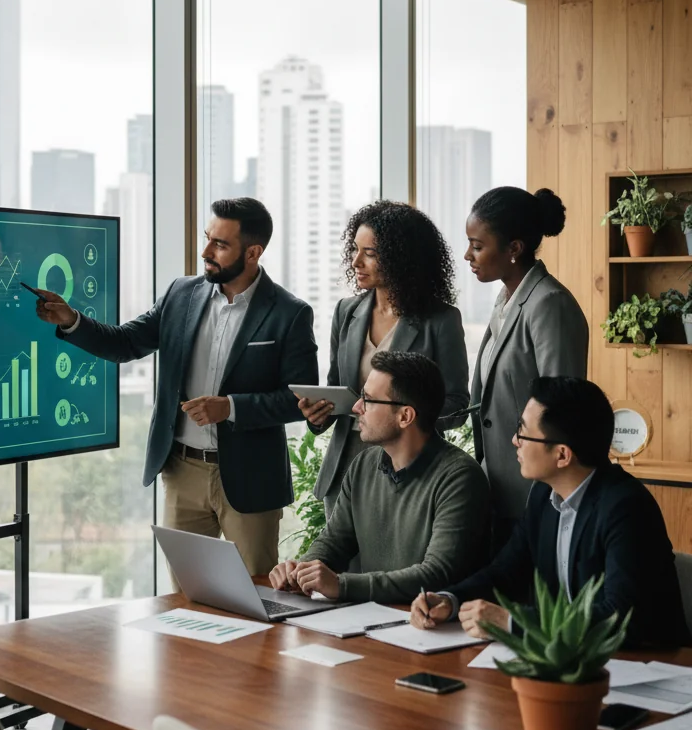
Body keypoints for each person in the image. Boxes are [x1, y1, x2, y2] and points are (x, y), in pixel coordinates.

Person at [34, 198, 318, 580]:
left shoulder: (290, 312)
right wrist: (71, 320)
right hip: (182, 472)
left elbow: (298, 400)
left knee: (258, 595)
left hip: (251, 479)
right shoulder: (180, 295)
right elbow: (125, 343)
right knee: (185, 596)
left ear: (253, 252)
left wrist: (230, 408)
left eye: (220, 244)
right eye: (207, 239)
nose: (206, 252)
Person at [410, 377, 691, 648]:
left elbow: (619, 619)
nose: (514, 441)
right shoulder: (544, 494)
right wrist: (450, 599)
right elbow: (505, 572)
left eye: (523, 432)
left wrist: (513, 622)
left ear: (562, 455)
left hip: (648, 667)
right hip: (568, 661)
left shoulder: (626, 507)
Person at [270, 351, 489, 604]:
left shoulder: (459, 477)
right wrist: (300, 571)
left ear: (405, 416)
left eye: (368, 400)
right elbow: (334, 543)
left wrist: (341, 585)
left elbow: (436, 574)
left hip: (431, 626)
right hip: (370, 620)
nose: (356, 407)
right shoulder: (364, 464)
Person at [297, 202, 470, 520]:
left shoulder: (441, 320)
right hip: (346, 467)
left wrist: (402, 419)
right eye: (354, 249)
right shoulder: (346, 312)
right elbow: (339, 388)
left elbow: (457, 404)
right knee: (342, 564)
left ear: (400, 256)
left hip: (411, 469)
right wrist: (319, 414)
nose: (356, 261)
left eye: (371, 253)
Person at [465, 186, 588, 550]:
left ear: (514, 249)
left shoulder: (549, 304)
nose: (468, 255)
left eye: (477, 245)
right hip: (500, 487)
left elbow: (562, 408)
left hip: (536, 492)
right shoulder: (505, 300)